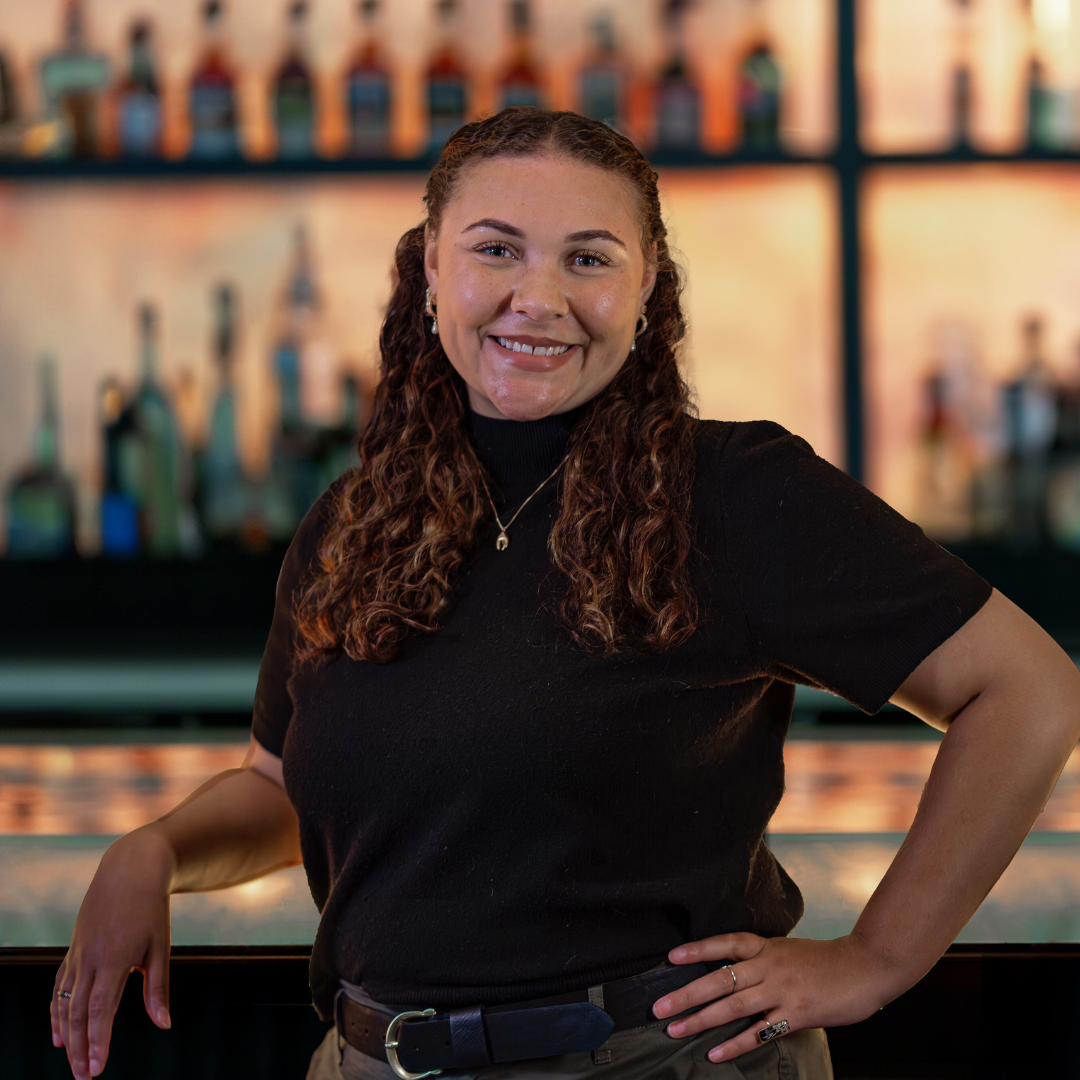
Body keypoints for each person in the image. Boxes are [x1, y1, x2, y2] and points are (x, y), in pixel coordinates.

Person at [52, 108, 1080, 1080]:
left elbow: (1029, 692)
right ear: (430, 275)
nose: (537, 297)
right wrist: (157, 849)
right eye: (496, 249)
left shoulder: (735, 492)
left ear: (646, 293)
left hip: (653, 1063)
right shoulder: (353, 519)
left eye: (587, 258)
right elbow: (281, 793)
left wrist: (878, 956)